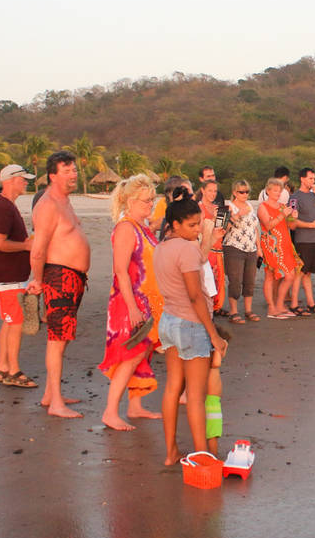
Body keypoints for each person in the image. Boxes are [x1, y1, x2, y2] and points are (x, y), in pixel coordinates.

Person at [154, 194, 229, 465]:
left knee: (173, 387)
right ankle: (204, 457)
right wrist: (214, 334)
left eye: (199, 224)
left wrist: (207, 237)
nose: (197, 230)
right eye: (192, 226)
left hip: (168, 322)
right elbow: (196, 296)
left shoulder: (162, 247)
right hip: (190, 324)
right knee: (196, 396)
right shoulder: (185, 249)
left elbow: (196, 259)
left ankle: (171, 452)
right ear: (174, 224)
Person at [98, 174, 164, 431]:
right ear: (130, 202)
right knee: (130, 355)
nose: (151, 205)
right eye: (146, 201)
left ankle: (134, 406)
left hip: (147, 303)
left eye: (152, 200)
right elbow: (121, 271)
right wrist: (134, 308)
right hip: (129, 304)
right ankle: (110, 411)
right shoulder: (126, 228)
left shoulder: (142, 228)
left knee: (142, 354)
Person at [28, 151, 91, 419]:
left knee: (63, 338)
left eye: (74, 169)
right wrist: (38, 280)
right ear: (52, 175)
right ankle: (55, 403)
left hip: (73, 278)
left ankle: (50, 394)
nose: (73, 174)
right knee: (56, 339)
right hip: (58, 277)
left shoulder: (65, 201)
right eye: (67, 170)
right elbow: (38, 249)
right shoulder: (48, 205)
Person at [0, 164, 37, 387]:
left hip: (7, 274)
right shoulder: (4, 208)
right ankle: (13, 372)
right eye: (23, 179)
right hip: (8, 276)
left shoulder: (6, 205)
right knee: (15, 322)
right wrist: (26, 245)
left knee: (9, 322)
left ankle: (3, 368)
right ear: (11, 180)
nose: (26, 182)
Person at [258, 178, 300, 318]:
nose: (277, 193)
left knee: (290, 275)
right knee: (270, 276)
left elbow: (291, 226)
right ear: (268, 191)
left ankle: (280, 304)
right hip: (271, 245)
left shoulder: (283, 206)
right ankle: (271, 308)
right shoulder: (262, 207)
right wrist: (283, 215)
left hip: (285, 244)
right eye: (275, 190)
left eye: (279, 191)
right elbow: (268, 225)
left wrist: (293, 217)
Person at [222, 180, 261, 323]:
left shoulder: (250, 206)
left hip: (251, 247)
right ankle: (233, 311)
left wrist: (259, 248)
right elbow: (221, 230)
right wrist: (237, 215)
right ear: (234, 193)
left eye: (247, 192)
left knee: (250, 280)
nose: (245, 194)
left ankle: (248, 310)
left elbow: (254, 228)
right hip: (234, 246)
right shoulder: (228, 207)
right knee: (235, 280)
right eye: (241, 192)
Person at [288, 167, 315, 314]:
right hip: (302, 240)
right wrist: (311, 225)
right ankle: (294, 304)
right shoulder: (294, 197)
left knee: (308, 272)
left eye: (313, 179)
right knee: (300, 272)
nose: (313, 181)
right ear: (302, 179)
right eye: (310, 178)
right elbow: (292, 222)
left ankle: (310, 303)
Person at [198, 180, 228, 317]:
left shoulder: (217, 207)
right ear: (203, 190)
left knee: (217, 287)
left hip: (218, 250)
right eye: (210, 190)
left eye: (215, 191)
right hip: (205, 250)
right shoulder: (198, 208)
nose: (213, 193)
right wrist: (214, 218)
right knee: (205, 287)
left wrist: (227, 217)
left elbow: (225, 230)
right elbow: (199, 232)